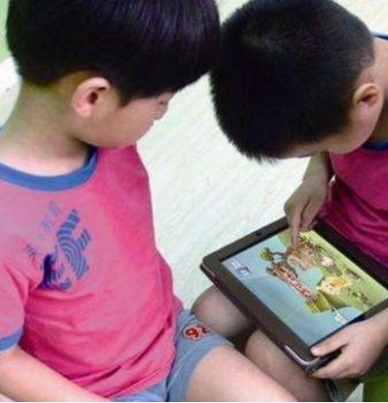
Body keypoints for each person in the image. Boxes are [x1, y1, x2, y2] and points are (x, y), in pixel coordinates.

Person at [0, 0, 295, 401]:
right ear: (93, 98)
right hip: (96, 390)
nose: (163, 113)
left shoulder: (108, 137)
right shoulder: (8, 221)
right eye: (160, 102)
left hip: (171, 337)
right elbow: (5, 361)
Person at [197, 0, 388, 400]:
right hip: (329, 244)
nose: (322, 153)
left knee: (270, 356)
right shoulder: (344, 59)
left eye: (315, 148)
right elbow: (327, 127)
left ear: (366, 101)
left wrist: (381, 329)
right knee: (209, 315)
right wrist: (316, 172)